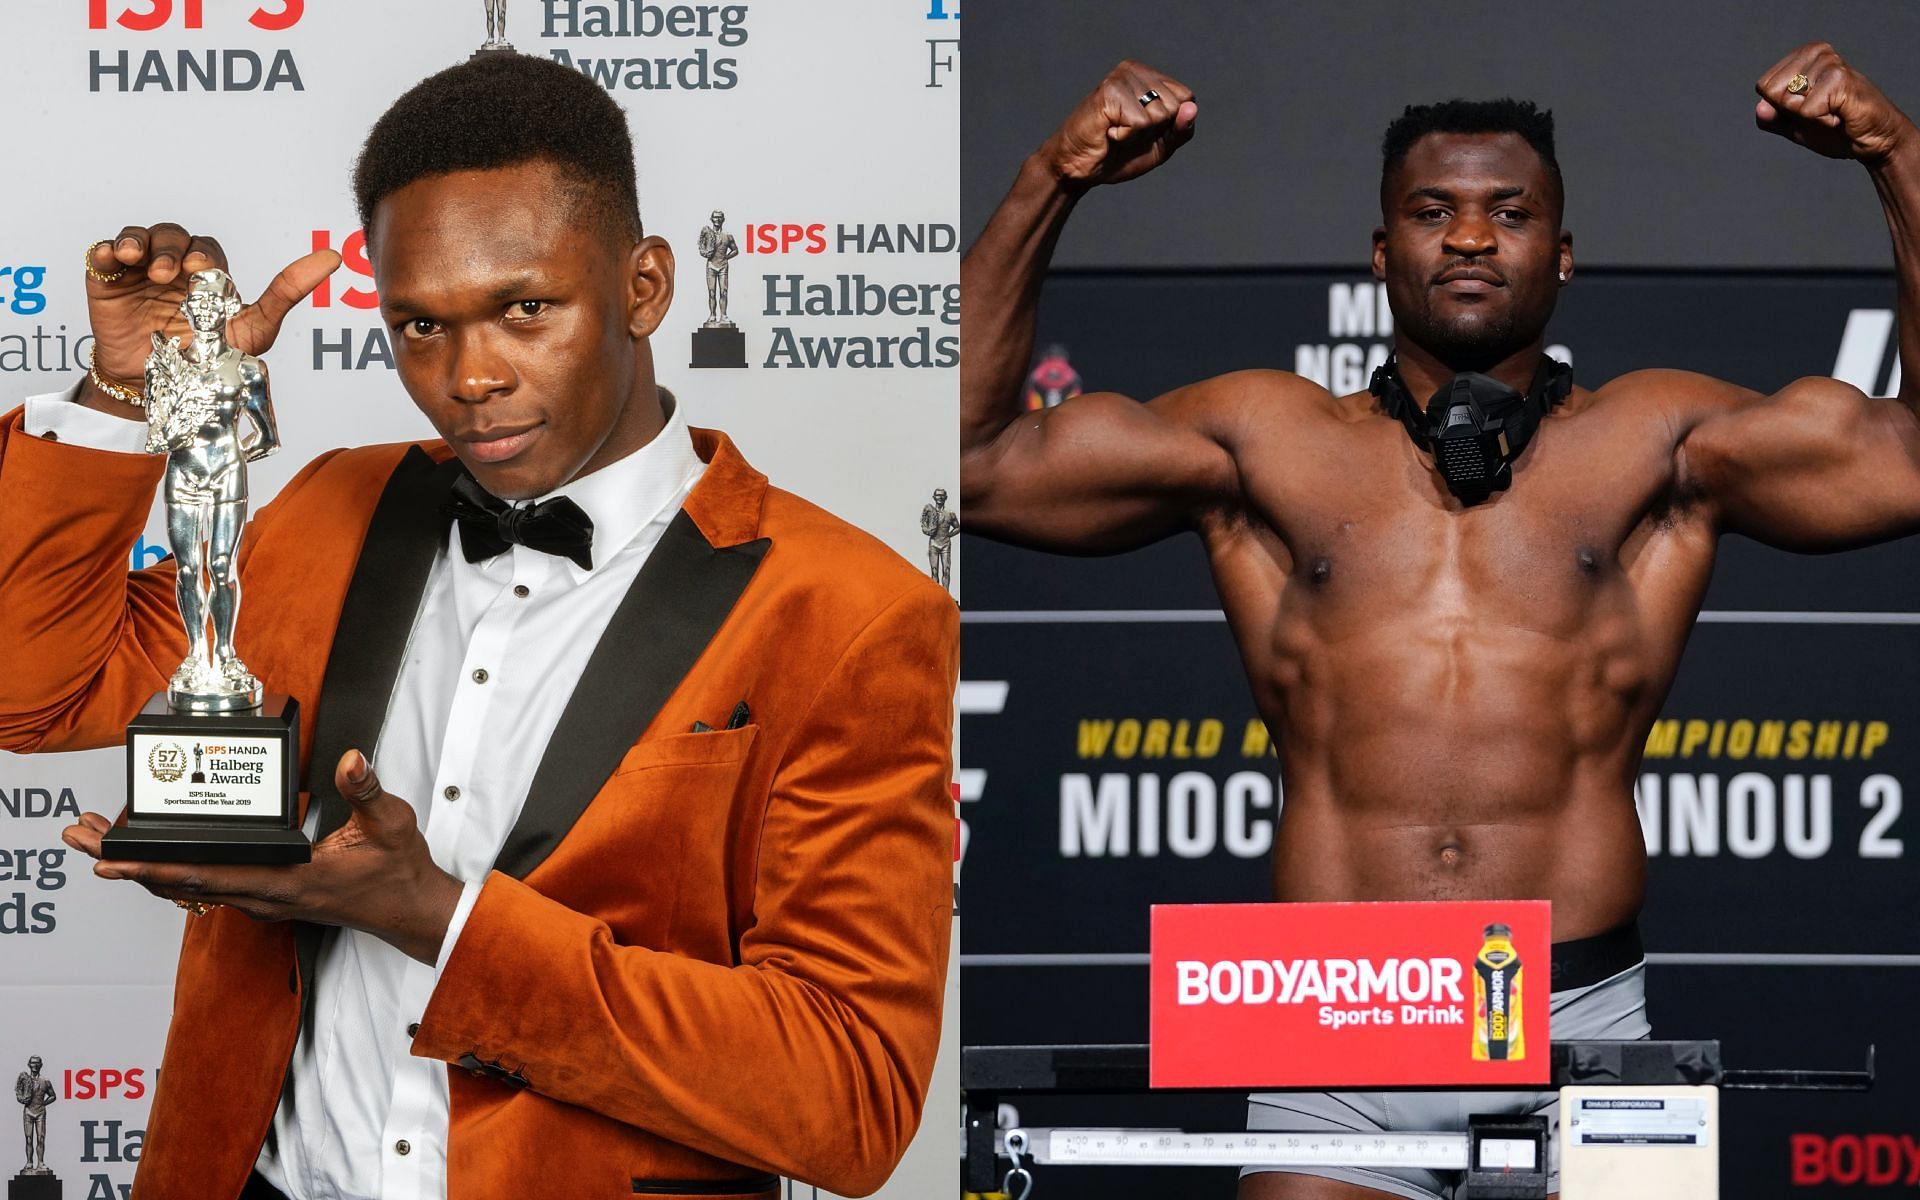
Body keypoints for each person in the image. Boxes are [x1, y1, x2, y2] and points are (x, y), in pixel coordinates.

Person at [961, 43, 1917, 1200]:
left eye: (1508, 213)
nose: (1470, 237)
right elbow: (975, 462)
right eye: (1433, 211)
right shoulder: (1268, 442)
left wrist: (1893, 150)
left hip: (1585, 1017)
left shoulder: (1660, 442)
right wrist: (1050, 176)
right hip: (1337, 1023)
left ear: (1562, 257)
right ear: (1381, 251)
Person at [2, 52, 956, 1200]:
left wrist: (435, 920)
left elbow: (847, 1097)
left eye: (526, 308)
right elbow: (37, 692)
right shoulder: (325, 513)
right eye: (418, 326)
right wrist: (126, 400)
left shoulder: (850, 614)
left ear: (646, 286)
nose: (469, 378)